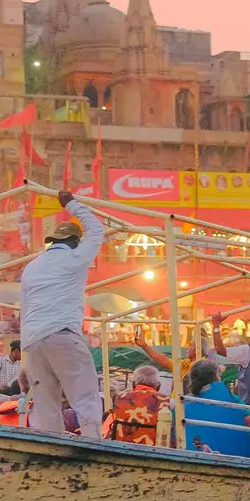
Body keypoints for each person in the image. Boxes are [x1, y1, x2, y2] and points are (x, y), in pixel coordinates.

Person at [16, 188, 105, 434]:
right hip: (62, 335)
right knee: (85, 395)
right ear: (75, 242)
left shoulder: (31, 267)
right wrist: (71, 204)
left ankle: (49, 448)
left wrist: (26, 359)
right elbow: (96, 230)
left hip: (32, 342)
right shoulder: (76, 258)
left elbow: (25, 310)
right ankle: (93, 444)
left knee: (45, 406)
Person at [182, 358, 250, 457]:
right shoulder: (232, 399)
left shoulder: (182, 404)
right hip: (233, 457)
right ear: (217, 377)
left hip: (192, 455)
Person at [104, 364, 163, 444]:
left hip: (119, 445)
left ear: (134, 384)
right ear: (158, 385)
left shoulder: (119, 398)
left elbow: (106, 429)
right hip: (155, 448)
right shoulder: (167, 402)